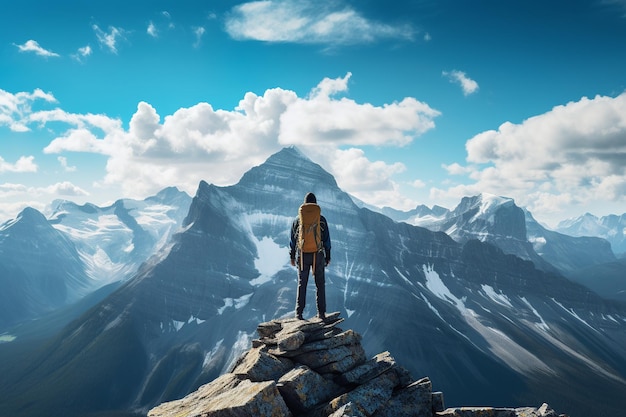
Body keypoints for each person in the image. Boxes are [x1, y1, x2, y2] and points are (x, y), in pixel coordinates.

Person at [290, 192, 331, 320]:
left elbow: (292, 239)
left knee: (302, 283)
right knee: (320, 284)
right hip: (317, 255)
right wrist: (328, 256)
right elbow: (327, 240)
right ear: (316, 204)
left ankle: (299, 314)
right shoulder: (321, 220)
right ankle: (321, 313)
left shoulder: (298, 220)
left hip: (302, 255)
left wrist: (292, 256)